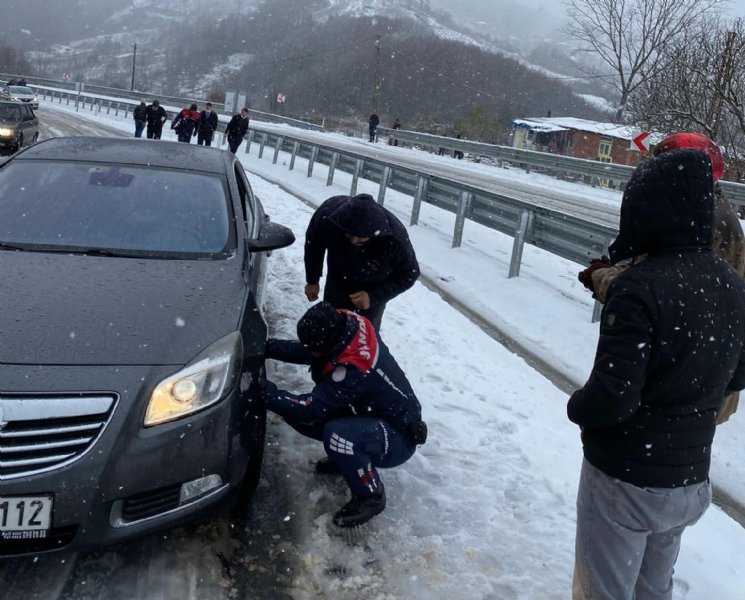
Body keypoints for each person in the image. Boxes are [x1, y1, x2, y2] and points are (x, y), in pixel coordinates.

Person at [567, 148, 745, 599]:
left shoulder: (639, 287)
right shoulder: (731, 284)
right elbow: (738, 371)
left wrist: (577, 406)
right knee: (653, 589)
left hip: (625, 479)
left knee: (602, 591)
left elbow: (613, 398)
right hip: (688, 477)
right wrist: (690, 398)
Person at [578, 132, 745, 424]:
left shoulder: (690, 219)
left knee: (654, 456)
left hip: (671, 383)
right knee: (684, 457)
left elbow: (655, 293)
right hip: (706, 380)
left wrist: (602, 277)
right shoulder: (717, 212)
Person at [261, 302, 427, 527]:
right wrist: (265, 347)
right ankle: (347, 461)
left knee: (335, 433)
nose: (309, 349)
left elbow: (310, 407)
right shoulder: (345, 327)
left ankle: (371, 496)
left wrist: (264, 392)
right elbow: (312, 351)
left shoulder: (354, 369)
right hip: (375, 417)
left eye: (313, 346)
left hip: (398, 436)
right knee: (305, 417)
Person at [304, 193, 420, 331]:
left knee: (364, 333)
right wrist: (312, 280)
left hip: (374, 284)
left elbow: (410, 273)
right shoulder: (328, 216)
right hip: (338, 277)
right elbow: (314, 245)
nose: (354, 240)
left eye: (361, 238)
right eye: (349, 234)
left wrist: (373, 296)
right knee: (332, 327)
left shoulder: (394, 238)